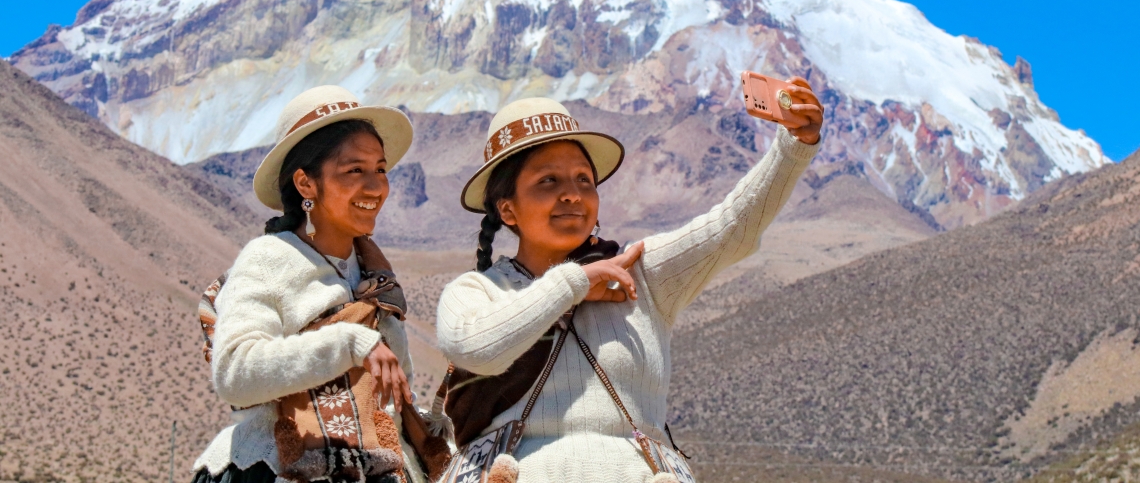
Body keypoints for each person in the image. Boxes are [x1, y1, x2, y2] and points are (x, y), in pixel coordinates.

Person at [435, 78, 823, 482]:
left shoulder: (639, 272)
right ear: (508, 209)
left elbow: (732, 228)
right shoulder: (476, 292)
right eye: (548, 181)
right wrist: (574, 284)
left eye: (583, 179)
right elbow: (477, 349)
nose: (572, 194)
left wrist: (793, 145)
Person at [192, 85, 440, 483]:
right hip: (274, 466)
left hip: (375, 466)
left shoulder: (375, 275)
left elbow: (389, 399)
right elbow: (234, 373)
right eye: (354, 170)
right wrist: (348, 344)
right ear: (306, 184)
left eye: (380, 169)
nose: (376, 187)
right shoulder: (268, 259)